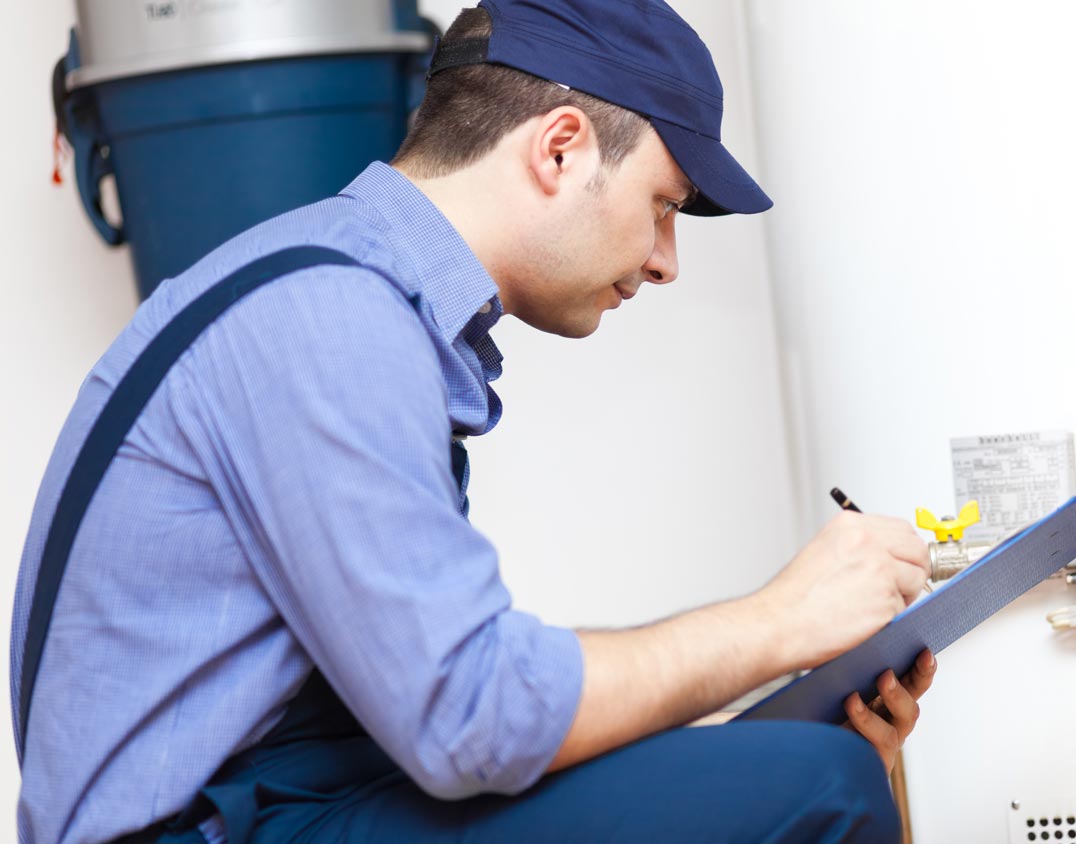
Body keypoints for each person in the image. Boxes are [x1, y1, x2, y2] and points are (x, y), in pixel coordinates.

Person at [11, 1, 937, 842]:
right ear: (561, 147)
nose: (666, 262)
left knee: (811, 767)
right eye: (663, 204)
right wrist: (781, 621)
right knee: (822, 784)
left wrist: (760, 742)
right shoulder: (330, 316)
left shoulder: (342, 289)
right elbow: (469, 717)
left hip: (299, 803)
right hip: (210, 830)